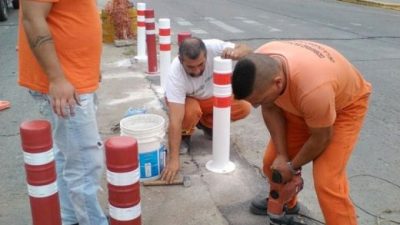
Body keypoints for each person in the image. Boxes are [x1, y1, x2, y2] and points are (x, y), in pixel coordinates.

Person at [231, 40, 371, 225]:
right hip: (302, 104)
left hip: (344, 108)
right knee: (271, 163)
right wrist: (282, 156)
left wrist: (291, 166)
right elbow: (271, 108)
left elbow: (321, 137)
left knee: (327, 181)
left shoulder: (313, 89)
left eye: (259, 100)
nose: (255, 106)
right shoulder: (263, 63)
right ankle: (288, 202)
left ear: (278, 83)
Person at [18, 1, 108, 225]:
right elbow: (32, 18)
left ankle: (70, 218)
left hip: (75, 76)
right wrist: (57, 78)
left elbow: (72, 15)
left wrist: (90, 63)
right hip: (67, 83)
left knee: (69, 155)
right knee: (85, 163)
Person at [161, 37, 252, 183]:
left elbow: (247, 49)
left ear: (206, 55)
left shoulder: (214, 47)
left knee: (243, 107)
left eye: (200, 64)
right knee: (190, 111)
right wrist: (173, 160)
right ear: (180, 60)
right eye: (190, 67)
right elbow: (175, 120)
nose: (197, 70)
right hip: (189, 101)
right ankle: (185, 135)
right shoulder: (175, 74)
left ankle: (207, 125)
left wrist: (237, 52)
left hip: (211, 99)